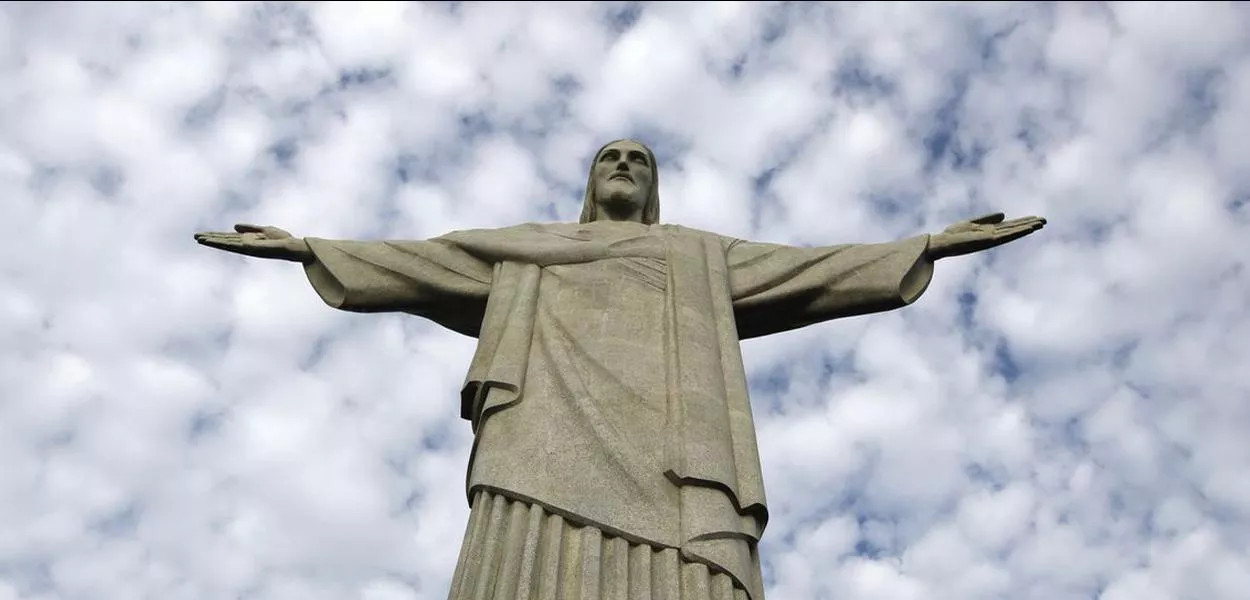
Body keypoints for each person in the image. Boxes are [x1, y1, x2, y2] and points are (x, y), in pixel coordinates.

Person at [196, 139, 1045, 600]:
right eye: (611, 158)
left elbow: (809, 270)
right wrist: (309, 247)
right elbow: (424, 262)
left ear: (654, 189)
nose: (625, 168)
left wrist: (925, 245)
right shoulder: (526, 249)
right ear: (591, 182)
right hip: (539, 437)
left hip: (676, 454)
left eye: (639, 161)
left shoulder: (696, 256)